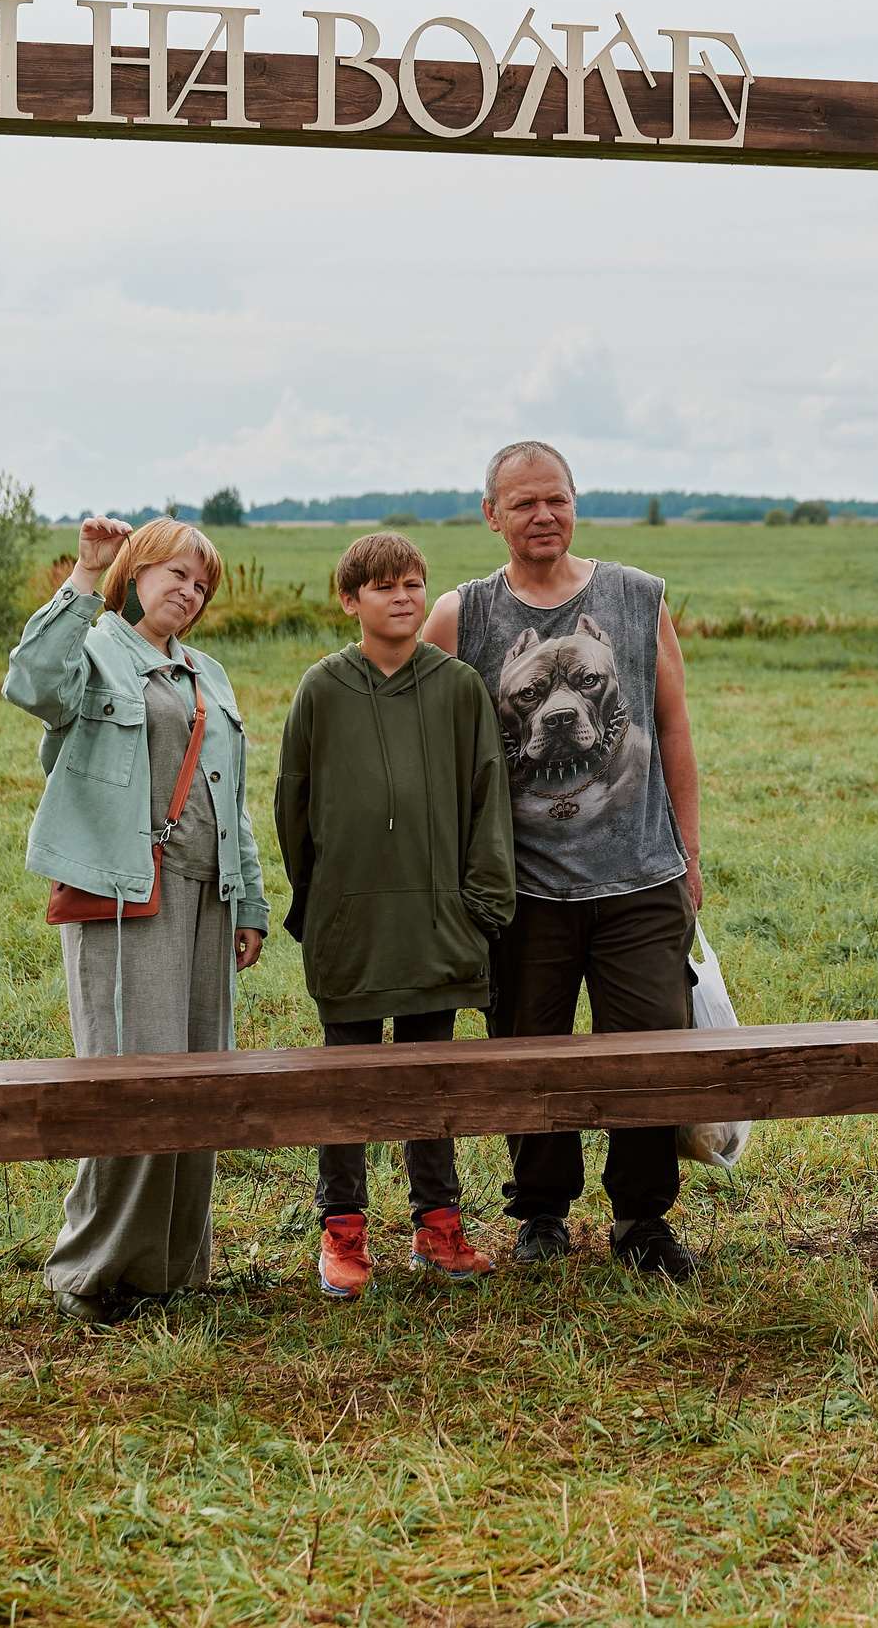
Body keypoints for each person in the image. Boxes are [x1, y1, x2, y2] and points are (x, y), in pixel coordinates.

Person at [420, 440, 706, 1281]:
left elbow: (673, 723)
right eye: (523, 503)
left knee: (650, 1050)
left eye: (557, 500)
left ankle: (643, 1219)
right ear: (491, 515)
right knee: (527, 1050)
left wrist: (688, 850)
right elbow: (417, 724)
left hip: (639, 874)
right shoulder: (463, 615)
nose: (543, 516)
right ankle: (540, 1212)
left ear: (575, 503)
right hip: (523, 885)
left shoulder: (636, 596)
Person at [4, 515, 270, 1324]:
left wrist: (250, 900)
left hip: (208, 897)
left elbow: (233, 799)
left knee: (198, 1087)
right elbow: (32, 684)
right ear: (138, 571)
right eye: (175, 574)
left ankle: (169, 1269)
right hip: (125, 894)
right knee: (133, 1083)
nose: (189, 592)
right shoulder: (94, 649)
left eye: (202, 584)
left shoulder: (207, 673)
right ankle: (91, 1273)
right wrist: (85, 576)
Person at [273, 533, 515, 1300]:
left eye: (413, 583)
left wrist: (481, 909)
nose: (403, 597)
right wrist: (321, 903)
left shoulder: (458, 687)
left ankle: (438, 1228)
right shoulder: (322, 688)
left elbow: (488, 798)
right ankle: (342, 1233)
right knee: (346, 1083)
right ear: (350, 600)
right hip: (350, 927)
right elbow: (293, 802)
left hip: (438, 924)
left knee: (427, 1080)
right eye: (383, 586)